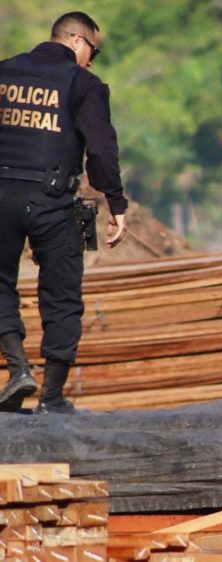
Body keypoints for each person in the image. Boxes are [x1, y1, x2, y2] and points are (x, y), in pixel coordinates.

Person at [0, 12, 128, 414]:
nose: (92, 60)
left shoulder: (3, 73)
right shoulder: (83, 84)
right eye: (94, 50)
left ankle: (18, 367)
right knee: (61, 295)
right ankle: (52, 397)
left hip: (1, 195)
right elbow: (102, 151)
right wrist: (116, 203)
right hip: (51, 201)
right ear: (77, 41)